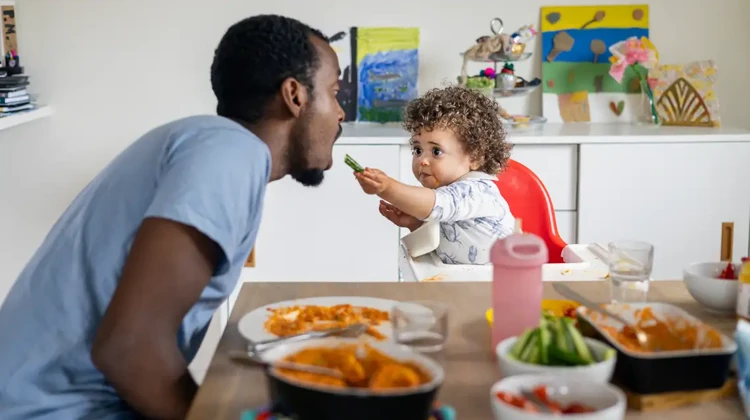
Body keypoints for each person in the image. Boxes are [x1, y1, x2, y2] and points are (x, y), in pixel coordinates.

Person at [0, 14, 344, 420]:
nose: (340, 113)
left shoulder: (210, 144)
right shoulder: (231, 154)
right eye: (334, 92)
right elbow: (129, 349)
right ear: (294, 95)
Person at [354, 86, 514, 265]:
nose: (422, 160)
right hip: (465, 282)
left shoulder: (476, 190)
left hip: (500, 281)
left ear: (475, 157)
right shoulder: (448, 192)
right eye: (418, 150)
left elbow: (436, 203)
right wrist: (415, 223)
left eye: (436, 151)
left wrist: (387, 187)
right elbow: (447, 240)